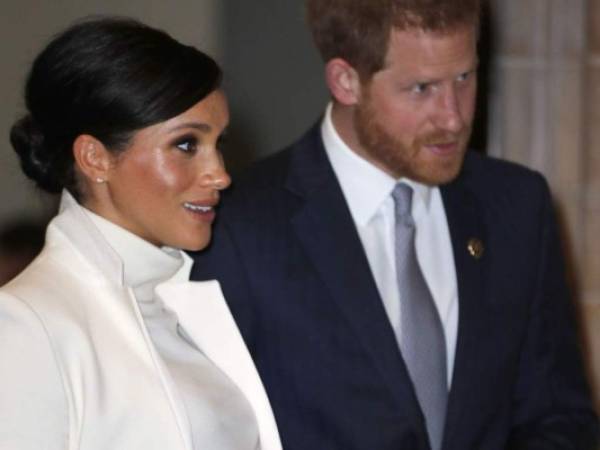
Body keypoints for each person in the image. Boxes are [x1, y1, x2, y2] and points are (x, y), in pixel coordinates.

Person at [191, 1, 599, 449]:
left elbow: (558, 416)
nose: (453, 116)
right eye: (421, 88)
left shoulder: (518, 205)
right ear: (346, 81)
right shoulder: (240, 224)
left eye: (464, 78)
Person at [0, 17, 281, 450]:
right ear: (95, 158)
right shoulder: (25, 323)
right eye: (187, 145)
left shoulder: (186, 297)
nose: (220, 175)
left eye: (217, 144)